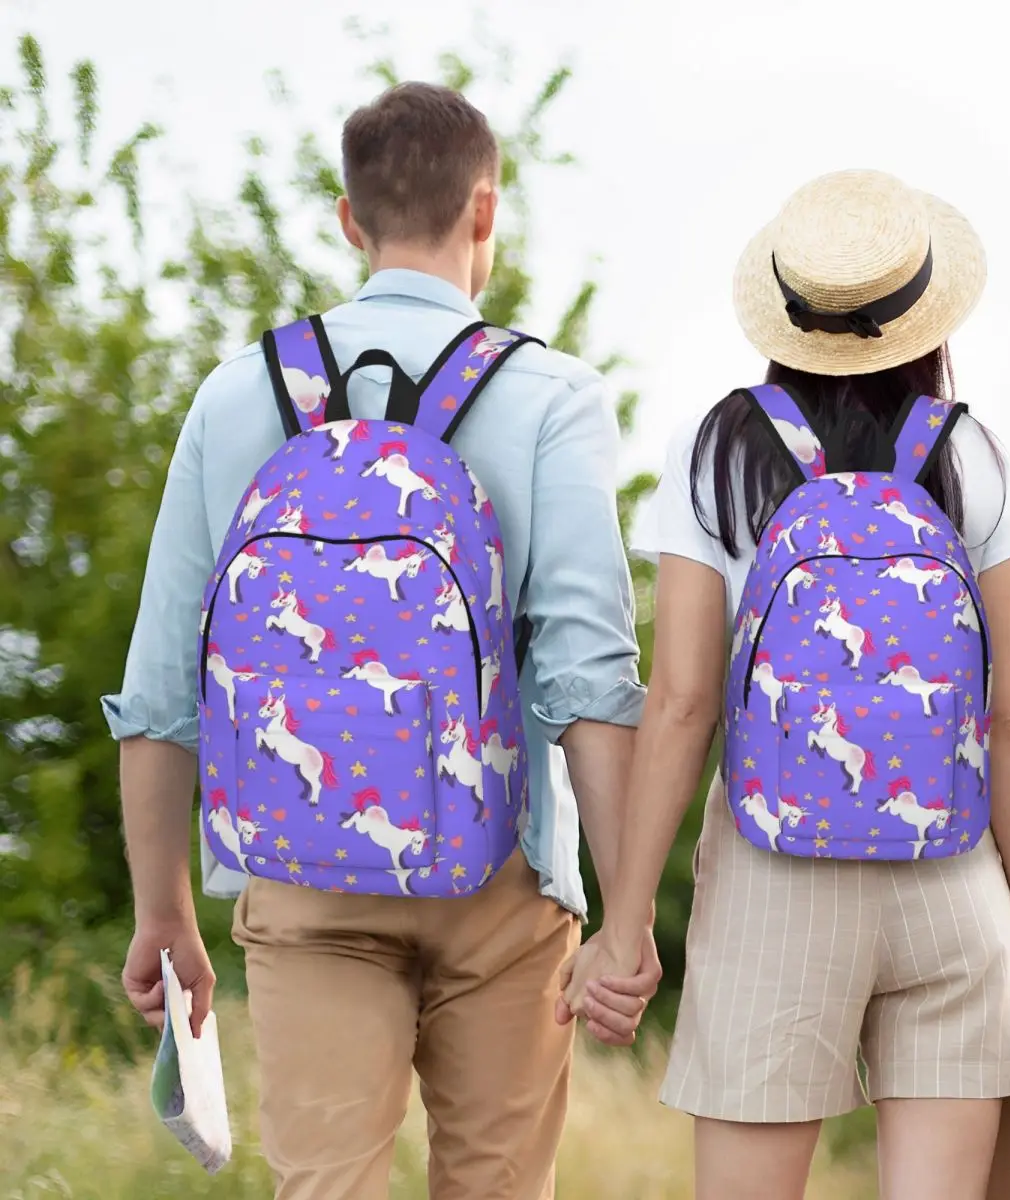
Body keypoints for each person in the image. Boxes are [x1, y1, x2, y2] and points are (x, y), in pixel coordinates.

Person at [104, 81, 660, 1200]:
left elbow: (163, 684)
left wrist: (162, 912)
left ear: (350, 220)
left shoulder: (237, 395)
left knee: (325, 1186)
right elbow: (589, 677)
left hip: (302, 879)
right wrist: (627, 915)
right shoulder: (550, 395)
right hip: (501, 874)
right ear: (485, 213)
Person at [561, 169, 1010, 1200]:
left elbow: (681, 705)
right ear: (925, 317)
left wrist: (623, 928)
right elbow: (1007, 723)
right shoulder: (972, 455)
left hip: (773, 882)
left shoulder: (717, 451)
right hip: (954, 883)